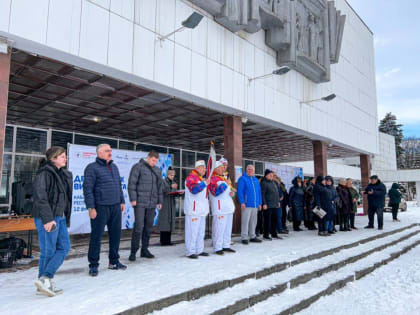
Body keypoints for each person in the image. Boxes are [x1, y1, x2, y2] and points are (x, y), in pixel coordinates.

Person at [32, 147, 73, 296]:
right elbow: (40, 197)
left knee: (64, 247)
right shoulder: (45, 173)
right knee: (48, 250)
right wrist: (48, 219)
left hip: (59, 217)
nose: (65, 158)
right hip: (48, 217)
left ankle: (43, 280)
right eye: (62, 156)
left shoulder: (61, 174)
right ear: (53, 158)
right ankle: (45, 280)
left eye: (65, 156)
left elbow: (65, 199)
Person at [83, 144, 126, 277]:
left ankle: (114, 261)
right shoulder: (92, 168)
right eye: (107, 151)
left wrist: (122, 200)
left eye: (111, 150)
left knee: (115, 235)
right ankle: (93, 265)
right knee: (96, 237)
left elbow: (118, 185)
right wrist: (91, 207)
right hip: (100, 207)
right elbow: (88, 189)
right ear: (99, 153)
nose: (110, 153)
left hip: (115, 206)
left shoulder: (114, 167)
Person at [128, 150, 163, 261]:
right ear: (148, 157)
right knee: (138, 228)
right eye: (153, 160)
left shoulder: (157, 170)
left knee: (148, 228)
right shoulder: (138, 167)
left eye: (156, 161)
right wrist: (133, 199)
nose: (154, 163)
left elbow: (159, 187)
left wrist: (159, 201)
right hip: (140, 203)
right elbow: (131, 184)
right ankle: (133, 252)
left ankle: (144, 250)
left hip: (152, 204)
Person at [184, 160, 210, 259]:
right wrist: (204, 183)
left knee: (200, 232)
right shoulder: (191, 177)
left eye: (205, 168)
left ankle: (199, 249)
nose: (204, 170)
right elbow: (194, 190)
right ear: (197, 168)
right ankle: (190, 251)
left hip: (201, 210)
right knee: (192, 232)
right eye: (203, 168)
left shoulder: (200, 178)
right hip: (193, 210)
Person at [209, 161, 236, 255]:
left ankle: (226, 245)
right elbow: (215, 192)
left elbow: (226, 192)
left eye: (223, 167)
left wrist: (232, 193)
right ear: (215, 169)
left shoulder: (224, 178)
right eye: (220, 167)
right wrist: (226, 185)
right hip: (220, 209)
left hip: (228, 208)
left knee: (227, 229)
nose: (222, 169)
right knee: (219, 229)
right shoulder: (212, 179)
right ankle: (217, 247)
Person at [237, 165, 263, 244]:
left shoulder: (256, 180)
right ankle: (244, 237)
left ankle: (252, 236)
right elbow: (240, 191)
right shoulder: (242, 179)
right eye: (249, 169)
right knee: (245, 221)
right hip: (247, 204)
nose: (251, 171)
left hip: (255, 204)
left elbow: (259, 192)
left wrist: (259, 203)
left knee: (253, 221)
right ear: (246, 170)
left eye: (252, 169)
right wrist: (242, 202)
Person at [156, 168, 179, 246]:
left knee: (169, 222)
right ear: (168, 175)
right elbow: (163, 191)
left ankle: (168, 240)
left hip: (171, 204)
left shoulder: (173, 182)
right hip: (165, 204)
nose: (172, 177)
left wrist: (177, 192)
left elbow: (173, 192)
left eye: (173, 175)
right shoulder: (163, 182)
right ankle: (163, 241)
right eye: (171, 175)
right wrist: (172, 187)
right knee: (164, 222)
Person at [260, 169, 283, 240]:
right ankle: (266, 235)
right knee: (267, 221)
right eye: (270, 175)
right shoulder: (264, 183)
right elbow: (262, 194)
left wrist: (278, 202)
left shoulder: (273, 182)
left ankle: (274, 234)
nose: (271, 176)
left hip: (275, 205)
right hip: (268, 205)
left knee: (274, 220)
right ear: (266, 175)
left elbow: (276, 193)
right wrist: (264, 203)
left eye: (272, 175)